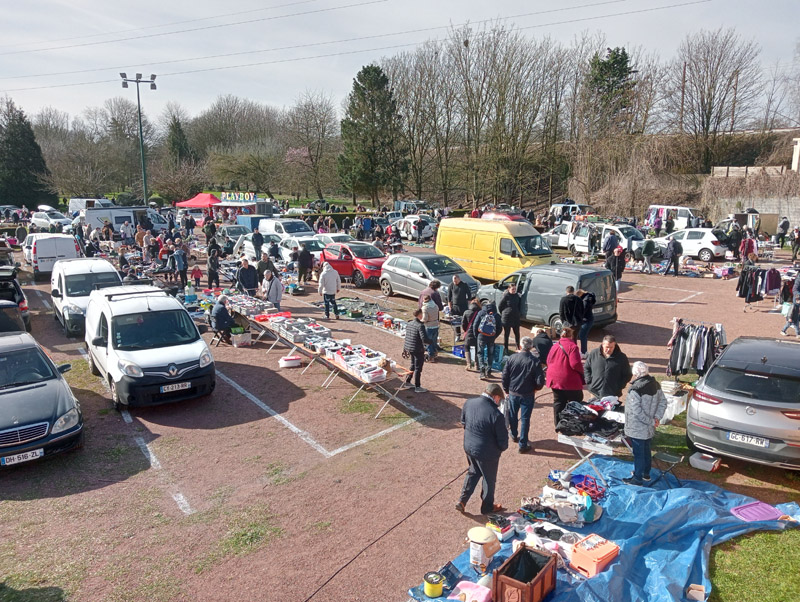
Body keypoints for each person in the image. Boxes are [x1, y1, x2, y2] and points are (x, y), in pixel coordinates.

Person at [455, 383, 508, 515]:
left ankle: (462, 501)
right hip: (487, 453)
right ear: (495, 396)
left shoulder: (469, 403)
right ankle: (487, 507)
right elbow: (503, 442)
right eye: (499, 399)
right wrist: (500, 449)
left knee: (473, 472)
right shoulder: (497, 415)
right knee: (489, 480)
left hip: (469, 447)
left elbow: (463, 422)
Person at [623, 362, 668, 486]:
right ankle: (646, 473)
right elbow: (663, 402)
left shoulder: (635, 390)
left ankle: (637, 479)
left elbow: (636, 411)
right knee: (646, 450)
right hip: (649, 427)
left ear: (635, 374)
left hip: (637, 427)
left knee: (639, 454)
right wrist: (656, 418)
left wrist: (652, 421)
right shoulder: (656, 385)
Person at [502, 336, 545, 453]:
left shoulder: (512, 358)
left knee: (513, 415)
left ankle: (514, 434)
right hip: (527, 394)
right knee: (525, 419)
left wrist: (506, 389)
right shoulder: (535, 361)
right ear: (531, 347)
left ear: (520, 346)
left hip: (513, 392)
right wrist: (536, 389)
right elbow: (540, 381)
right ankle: (523, 443)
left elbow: (505, 376)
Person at [545, 327, 584, 427]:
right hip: (568, 379)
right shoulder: (573, 346)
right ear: (571, 335)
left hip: (554, 379)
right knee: (576, 400)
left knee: (558, 401)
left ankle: (558, 424)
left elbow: (548, 360)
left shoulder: (555, 345)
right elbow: (575, 364)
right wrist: (582, 371)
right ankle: (574, 424)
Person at [584, 334, 632, 399]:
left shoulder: (621, 357)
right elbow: (586, 368)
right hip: (594, 392)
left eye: (611, 347)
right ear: (602, 344)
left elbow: (627, 374)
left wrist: (620, 386)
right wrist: (589, 380)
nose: (608, 349)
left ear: (615, 345)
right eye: (607, 347)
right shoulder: (594, 353)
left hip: (612, 394)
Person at [402, 308, 431, 393]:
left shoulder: (410, 323)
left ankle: (408, 381)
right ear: (420, 315)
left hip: (409, 347)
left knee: (412, 365)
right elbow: (424, 339)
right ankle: (417, 386)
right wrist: (432, 341)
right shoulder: (420, 325)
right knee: (418, 368)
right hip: (417, 349)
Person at [471, 302, 499, 380]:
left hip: (481, 336)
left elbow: (475, 325)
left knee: (480, 353)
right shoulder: (496, 315)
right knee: (490, 354)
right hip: (491, 337)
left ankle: (482, 370)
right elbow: (500, 328)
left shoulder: (481, 313)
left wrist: (477, 335)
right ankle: (488, 371)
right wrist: (494, 336)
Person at [498, 282, 522, 353]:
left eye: (515, 289)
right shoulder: (506, 296)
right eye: (512, 289)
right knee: (507, 334)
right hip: (507, 318)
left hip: (515, 317)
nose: (514, 290)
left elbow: (519, 305)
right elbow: (500, 306)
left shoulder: (517, 296)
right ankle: (506, 348)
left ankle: (518, 346)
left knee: (517, 333)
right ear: (508, 289)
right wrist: (504, 312)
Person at [461, 298, 481, 372]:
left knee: (467, 348)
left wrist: (466, 329)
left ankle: (469, 364)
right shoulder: (480, 312)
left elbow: (463, 323)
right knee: (476, 349)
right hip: (478, 333)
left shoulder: (466, 312)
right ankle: (477, 365)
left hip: (469, 332)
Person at [576, 289, 596, 358]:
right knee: (583, 335)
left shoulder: (585, 301)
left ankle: (584, 352)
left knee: (582, 335)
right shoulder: (588, 298)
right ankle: (584, 351)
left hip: (586, 320)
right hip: (588, 319)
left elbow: (583, 311)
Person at [421, 294, 440, 362]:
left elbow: (425, 319)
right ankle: (435, 353)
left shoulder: (425, 308)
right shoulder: (435, 305)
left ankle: (431, 356)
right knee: (434, 341)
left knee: (428, 342)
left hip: (429, 326)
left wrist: (420, 321)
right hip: (436, 325)